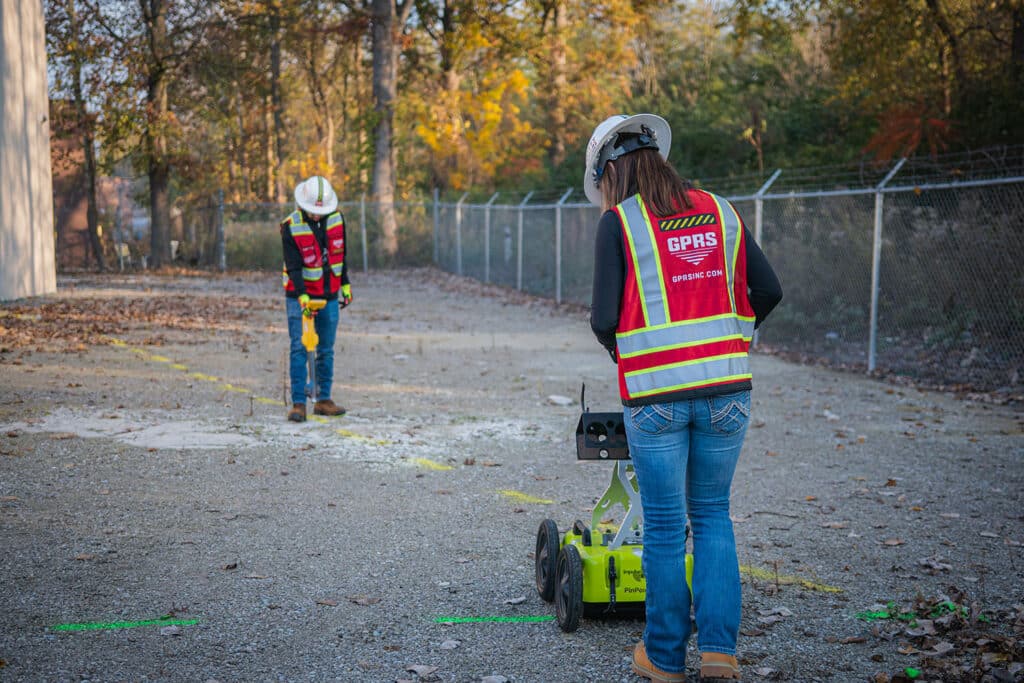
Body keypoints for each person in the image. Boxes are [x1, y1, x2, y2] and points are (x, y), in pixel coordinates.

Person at [586, 114, 782, 682]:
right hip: (726, 393)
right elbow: (767, 289)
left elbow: (603, 319)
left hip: (656, 398)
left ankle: (666, 657)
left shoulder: (618, 224)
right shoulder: (721, 210)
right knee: (714, 517)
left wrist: (628, 352)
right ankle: (720, 654)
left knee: (668, 527)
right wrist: (736, 333)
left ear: (611, 174)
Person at [281, 175, 352, 423]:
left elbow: (341, 254)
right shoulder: (290, 225)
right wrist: (301, 295)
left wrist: (345, 283)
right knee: (300, 347)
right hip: (298, 295)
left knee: (326, 349)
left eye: (320, 212)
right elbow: (293, 266)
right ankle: (298, 403)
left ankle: (323, 399)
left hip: (329, 294)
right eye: (312, 212)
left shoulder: (336, 220)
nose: (316, 216)